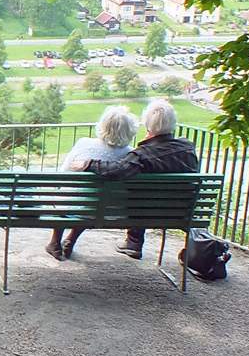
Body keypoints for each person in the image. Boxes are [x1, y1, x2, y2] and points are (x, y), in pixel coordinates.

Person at [85, 99, 200, 259]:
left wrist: (88, 164)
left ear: (147, 124)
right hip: (181, 213)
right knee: (149, 195)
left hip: (144, 213)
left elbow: (115, 171)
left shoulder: (142, 155)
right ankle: (133, 242)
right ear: (173, 123)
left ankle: (134, 242)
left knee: (142, 195)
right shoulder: (188, 148)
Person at [46, 105, 137, 260]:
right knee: (94, 201)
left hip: (75, 207)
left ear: (102, 125)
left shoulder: (84, 144)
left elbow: (63, 173)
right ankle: (71, 240)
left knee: (72, 197)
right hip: (110, 212)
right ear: (130, 130)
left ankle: (55, 242)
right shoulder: (132, 154)